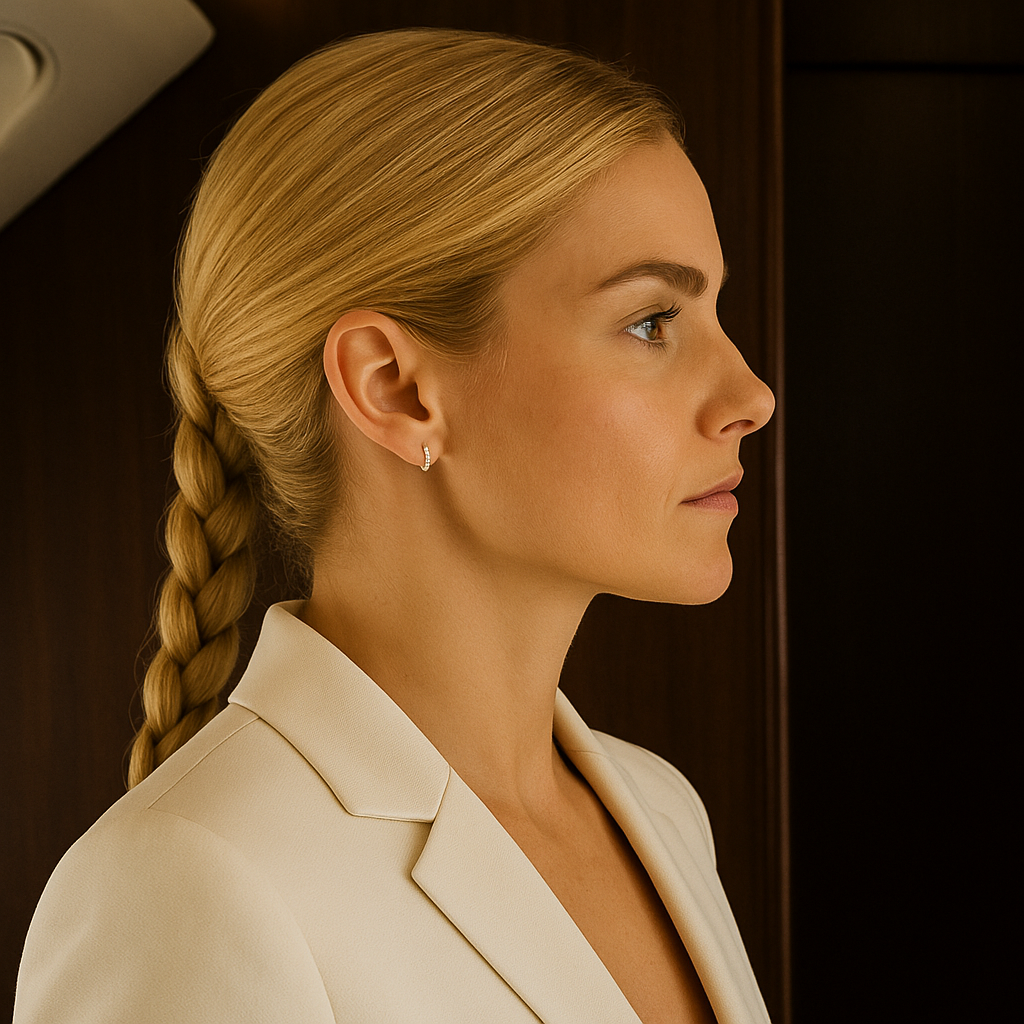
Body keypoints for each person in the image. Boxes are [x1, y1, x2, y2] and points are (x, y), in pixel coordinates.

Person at [14, 27, 775, 1024]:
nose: (750, 394)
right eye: (650, 322)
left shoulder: (659, 812)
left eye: (713, 312)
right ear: (395, 388)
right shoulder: (188, 882)